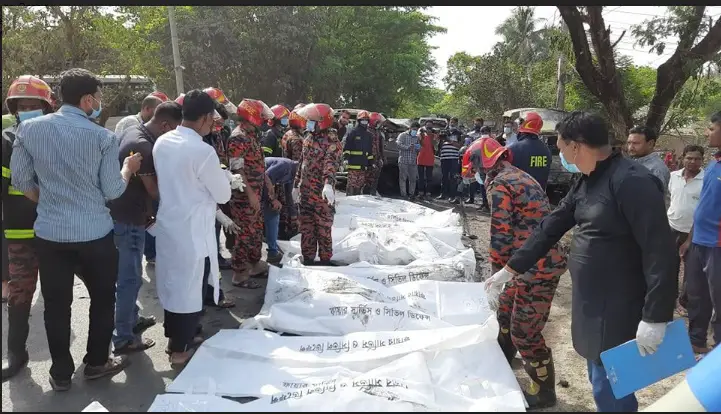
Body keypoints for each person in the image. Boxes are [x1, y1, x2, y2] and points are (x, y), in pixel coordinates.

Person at [484, 111, 677, 412]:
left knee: (611, 382)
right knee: (597, 374)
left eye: (560, 146)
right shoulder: (586, 181)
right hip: (592, 304)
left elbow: (660, 251)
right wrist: (510, 270)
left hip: (620, 305)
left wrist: (656, 316)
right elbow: (551, 226)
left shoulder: (632, 182)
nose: (559, 153)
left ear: (577, 146)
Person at [10, 68, 144, 391]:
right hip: (95, 235)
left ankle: (59, 373)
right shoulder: (102, 137)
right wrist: (128, 168)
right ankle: (97, 362)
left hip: (50, 235)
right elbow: (113, 191)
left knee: (56, 304)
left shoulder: (29, 131)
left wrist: (51, 201)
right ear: (87, 99)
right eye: (97, 98)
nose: (98, 103)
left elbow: (20, 180)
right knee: (101, 298)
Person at [463, 137, 567, 409]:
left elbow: (500, 233)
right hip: (527, 262)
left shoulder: (500, 184)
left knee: (525, 331)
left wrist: (497, 274)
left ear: (482, 162)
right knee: (505, 312)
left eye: (474, 165)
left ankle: (544, 391)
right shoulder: (519, 175)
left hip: (537, 268)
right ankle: (502, 362)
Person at [151, 89, 240, 368]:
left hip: (169, 224)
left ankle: (176, 337)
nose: (213, 124)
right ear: (203, 118)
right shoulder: (202, 150)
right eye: (212, 119)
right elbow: (223, 195)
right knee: (190, 287)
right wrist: (228, 179)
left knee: (172, 283)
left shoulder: (163, 141)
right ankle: (180, 350)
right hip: (192, 229)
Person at [107, 101, 185, 356]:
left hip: (130, 214)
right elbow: (153, 190)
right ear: (165, 125)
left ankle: (131, 320)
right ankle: (124, 338)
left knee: (129, 276)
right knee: (129, 279)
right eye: (174, 130)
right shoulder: (143, 146)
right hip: (128, 219)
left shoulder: (135, 131)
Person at [1, 76, 55, 381]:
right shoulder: (6, 140)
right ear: (14, 109)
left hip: (56, 229)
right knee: (19, 295)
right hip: (21, 232)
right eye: (22, 107)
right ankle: (16, 353)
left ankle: (64, 359)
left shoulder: (56, 136)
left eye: (34, 106)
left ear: (46, 108)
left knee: (58, 294)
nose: (27, 111)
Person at [679, 111, 721, 356]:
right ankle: (696, 340)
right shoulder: (714, 163)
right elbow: (702, 207)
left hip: (717, 246)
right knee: (696, 295)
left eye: (711, 128)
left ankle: (718, 351)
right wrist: (689, 239)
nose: (707, 132)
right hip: (698, 242)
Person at [226, 98, 275, 288]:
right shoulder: (237, 137)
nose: (263, 121)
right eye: (261, 117)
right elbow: (237, 170)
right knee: (244, 235)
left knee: (255, 233)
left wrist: (268, 183)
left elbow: (258, 165)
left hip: (255, 192)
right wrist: (250, 195)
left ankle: (254, 266)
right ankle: (239, 274)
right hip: (243, 197)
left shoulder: (252, 135)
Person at [292, 103, 342, 265]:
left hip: (321, 194)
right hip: (305, 192)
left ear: (322, 120)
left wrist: (328, 184)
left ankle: (325, 260)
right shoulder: (308, 136)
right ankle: (308, 258)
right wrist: (295, 185)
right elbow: (302, 162)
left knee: (323, 228)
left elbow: (330, 164)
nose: (308, 122)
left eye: (311, 120)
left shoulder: (331, 140)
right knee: (306, 228)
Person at [667, 145, 705, 317]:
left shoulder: (706, 179)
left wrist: (690, 238)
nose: (693, 162)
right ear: (683, 158)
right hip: (671, 228)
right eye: (689, 158)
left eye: (697, 158)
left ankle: (684, 302)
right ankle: (669, 300)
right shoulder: (673, 176)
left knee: (691, 271)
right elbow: (669, 199)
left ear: (702, 160)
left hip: (694, 232)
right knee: (669, 266)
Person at [264, 157, 299, 264]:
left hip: (263, 188)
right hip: (254, 185)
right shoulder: (284, 166)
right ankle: (272, 252)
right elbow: (265, 178)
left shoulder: (293, 173)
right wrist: (273, 200)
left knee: (274, 212)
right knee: (272, 214)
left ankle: (272, 250)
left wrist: (294, 215)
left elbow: (288, 195)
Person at [278, 105, 306, 240]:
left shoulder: (287, 134)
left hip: (285, 173)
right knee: (292, 203)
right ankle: (292, 230)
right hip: (292, 176)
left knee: (287, 202)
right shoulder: (297, 139)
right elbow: (298, 162)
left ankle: (286, 228)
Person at [507, 111, 552, 190]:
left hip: (519, 198)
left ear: (521, 127)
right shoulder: (546, 150)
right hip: (540, 198)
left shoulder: (513, 149)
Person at [627, 125, 670, 190]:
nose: (630, 147)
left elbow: (654, 198)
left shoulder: (656, 169)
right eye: (629, 143)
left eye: (636, 143)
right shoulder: (633, 163)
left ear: (650, 144)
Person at [343, 110, 373, 196]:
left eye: (366, 120)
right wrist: (346, 159)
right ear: (359, 121)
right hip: (353, 165)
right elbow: (347, 147)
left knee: (359, 186)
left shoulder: (369, 135)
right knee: (352, 185)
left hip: (363, 166)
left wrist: (371, 162)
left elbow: (369, 151)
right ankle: (349, 202)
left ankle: (356, 206)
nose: (365, 122)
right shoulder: (353, 132)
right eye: (363, 119)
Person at [396, 121, 421, 200]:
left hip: (413, 161)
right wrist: (407, 147)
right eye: (414, 129)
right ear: (410, 128)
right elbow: (398, 144)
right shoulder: (403, 135)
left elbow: (419, 148)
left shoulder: (416, 137)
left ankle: (411, 194)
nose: (415, 131)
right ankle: (403, 194)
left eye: (416, 130)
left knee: (413, 179)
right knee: (403, 178)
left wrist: (418, 147)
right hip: (403, 160)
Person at [438, 129, 461, 203]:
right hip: (444, 159)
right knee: (444, 177)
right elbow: (439, 148)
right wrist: (441, 139)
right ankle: (443, 194)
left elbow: (460, 146)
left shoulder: (457, 135)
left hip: (454, 159)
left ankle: (452, 196)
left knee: (453, 178)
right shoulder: (442, 137)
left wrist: (449, 140)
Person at [416, 119, 438, 199]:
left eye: (430, 125)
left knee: (429, 177)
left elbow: (435, 145)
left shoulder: (434, 134)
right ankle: (420, 192)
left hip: (430, 158)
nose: (429, 127)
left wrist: (432, 136)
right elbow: (420, 143)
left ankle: (428, 193)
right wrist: (422, 134)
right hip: (421, 157)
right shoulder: (421, 132)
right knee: (421, 177)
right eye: (427, 125)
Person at [366, 112, 386, 196]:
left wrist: (382, 157)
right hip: (369, 159)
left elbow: (380, 146)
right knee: (368, 178)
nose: (379, 124)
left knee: (376, 177)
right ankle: (366, 194)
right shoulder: (367, 131)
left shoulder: (378, 132)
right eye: (378, 122)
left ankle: (373, 192)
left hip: (377, 158)